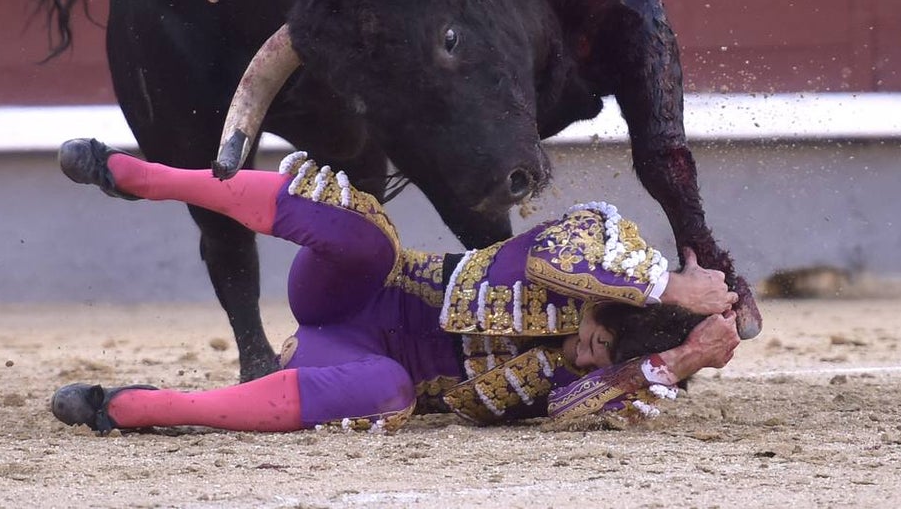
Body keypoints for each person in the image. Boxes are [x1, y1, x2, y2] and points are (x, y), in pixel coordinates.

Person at [50, 139, 741, 434]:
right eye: (596, 337)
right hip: (351, 292)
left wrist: (683, 358)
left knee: (392, 393)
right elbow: (554, 261)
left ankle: (140, 407)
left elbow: (570, 411)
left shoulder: (632, 379)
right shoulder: (603, 240)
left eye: (600, 359)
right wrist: (673, 288)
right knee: (371, 236)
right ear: (615, 302)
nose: (587, 357)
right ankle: (142, 176)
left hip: (355, 365)